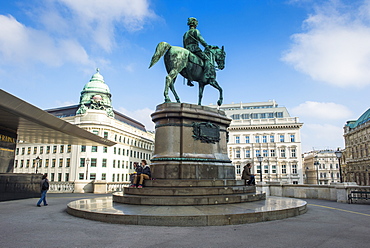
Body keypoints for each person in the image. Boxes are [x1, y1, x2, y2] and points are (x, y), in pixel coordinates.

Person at [183, 17, 215, 86]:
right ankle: (206, 75)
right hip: (194, 49)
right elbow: (201, 40)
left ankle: (189, 80)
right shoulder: (195, 31)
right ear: (195, 24)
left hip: (187, 50)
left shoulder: (185, 34)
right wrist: (206, 46)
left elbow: (184, 44)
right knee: (207, 59)